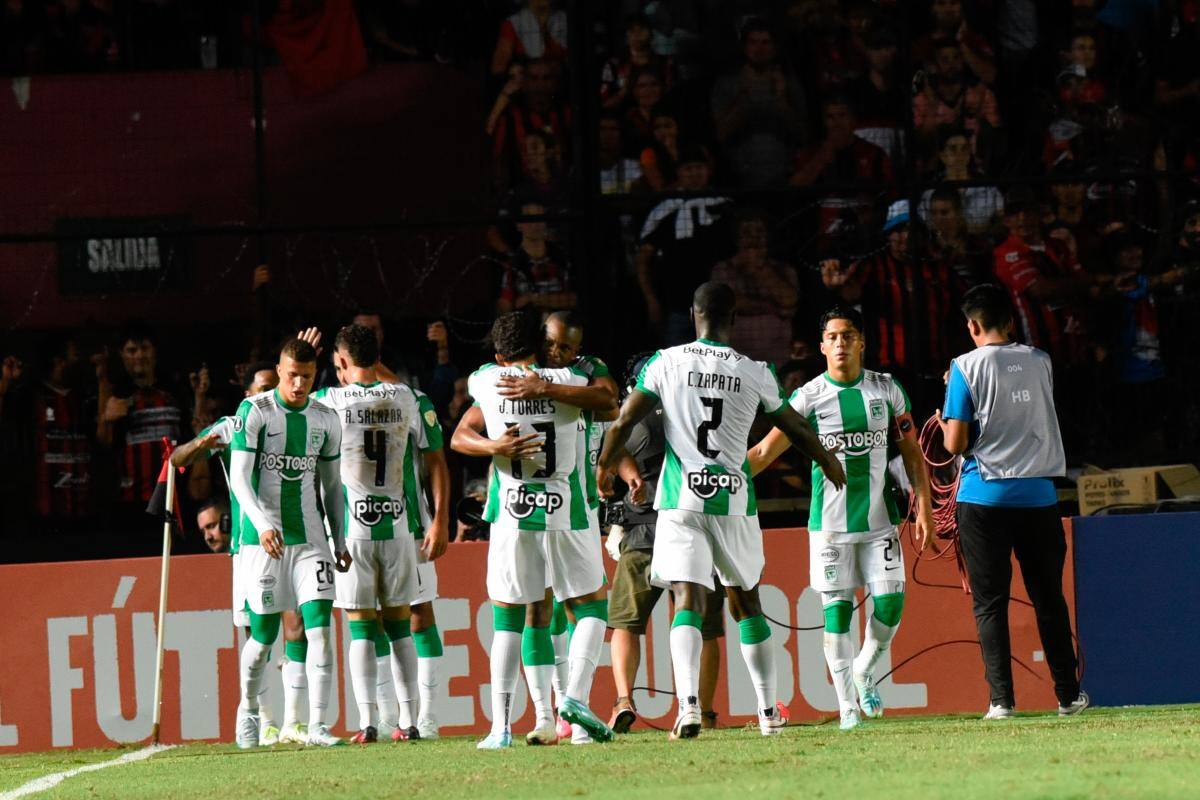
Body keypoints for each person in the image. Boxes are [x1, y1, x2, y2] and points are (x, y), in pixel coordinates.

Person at [598, 282, 846, 740]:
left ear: (694, 315)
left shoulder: (666, 362)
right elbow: (792, 423)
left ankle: (688, 706)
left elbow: (624, 420)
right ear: (733, 318)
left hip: (681, 500)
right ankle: (769, 711)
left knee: (686, 599)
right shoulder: (755, 371)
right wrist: (828, 461)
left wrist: (604, 466)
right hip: (733, 501)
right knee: (746, 602)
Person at [747, 306, 936, 730]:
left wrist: (923, 505)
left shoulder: (887, 390)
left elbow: (911, 452)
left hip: (879, 522)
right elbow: (763, 453)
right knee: (837, 613)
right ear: (821, 346)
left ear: (861, 342)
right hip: (828, 527)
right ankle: (848, 706)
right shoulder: (807, 397)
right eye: (832, 337)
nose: (840, 344)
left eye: (848, 336)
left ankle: (865, 668)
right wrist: (724, 478)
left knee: (890, 603)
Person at [451, 310, 617, 749]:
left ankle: (501, 728)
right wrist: (547, 387)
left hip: (512, 512)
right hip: (566, 510)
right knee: (591, 609)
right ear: (541, 342)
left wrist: (495, 444)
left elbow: (460, 427)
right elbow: (611, 401)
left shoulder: (487, 379)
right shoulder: (574, 380)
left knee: (508, 616)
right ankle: (572, 701)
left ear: (501, 352)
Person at [937, 284, 1088, 719]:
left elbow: (954, 443)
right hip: (1039, 496)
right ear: (1009, 321)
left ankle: (1001, 701)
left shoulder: (964, 367)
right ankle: (1068, 696)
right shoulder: (1042, 361)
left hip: (984, 496)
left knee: (990, 602)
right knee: (1049, 599)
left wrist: (948, 404)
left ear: (971, 326)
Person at [171, 362, 304, 746]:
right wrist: (200, 445)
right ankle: (263, 720)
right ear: (247, 395)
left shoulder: (295, 421)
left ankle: (294, 722)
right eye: (261, 388)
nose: (268, 393)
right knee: (257, 636)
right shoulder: (234, 426)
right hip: (248, 545)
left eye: (272, 386)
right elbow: (177, 459)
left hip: (293, 537)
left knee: (296, 626)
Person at [308, 323, 429, 745]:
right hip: (396, 524)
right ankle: (410, 722)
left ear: (341, 361)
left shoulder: (328, 401)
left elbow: (290, 407)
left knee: (361, 627)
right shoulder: (405, 397)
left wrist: (305, 356)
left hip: (354, 529)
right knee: (399, 626)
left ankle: (369, 722)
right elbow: (431, 451)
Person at [228, 337, 350, 749]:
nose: (299, 384)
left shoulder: (326, 418)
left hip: (310, 539)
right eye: (292, 375)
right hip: (261, 541)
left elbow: (332, 486)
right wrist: (263, 525)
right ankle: (247, 709)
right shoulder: (256, 411)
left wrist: (340, 537)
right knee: (261, 640)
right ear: (279, 371)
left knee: (319, 630)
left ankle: (317, 725)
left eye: (307, 376)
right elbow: (240, 480)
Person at [601, 353, 726, 734]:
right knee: (703, 626)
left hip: (641, 529)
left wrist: (625, 474)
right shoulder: (692, 409)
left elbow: (615, 445)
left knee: (626, 623)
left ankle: (624, 698)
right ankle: (703, 710)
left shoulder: (629, 416)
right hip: (692, 524)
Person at [635, 147, 731, 345]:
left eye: (699, 167)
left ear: (708, 170)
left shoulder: (725, 206)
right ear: (679, 172)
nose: (694, 173)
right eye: (688, 168)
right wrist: (651, 300)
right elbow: (643, 259)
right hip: (674, 305)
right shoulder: (664, 208)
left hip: (719, 307)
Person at [98, 325, 183, 534]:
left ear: (154, 351)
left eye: (145, 348)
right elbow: (103, 443)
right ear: (122, 355)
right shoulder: (116, 394)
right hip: (130, 503)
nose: (139, 356)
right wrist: (107, 419)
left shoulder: (175, 390)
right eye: (132, 350)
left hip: (174, 499)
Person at [710, 17, 808, 188]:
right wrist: (744, 94)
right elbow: (721, 134)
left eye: (765, 42)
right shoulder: (727, 83)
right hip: (739, 179)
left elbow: (803, 134)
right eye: (753, 42)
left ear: (774, 47)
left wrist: (781, 99)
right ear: (744, 46)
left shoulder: (789, 83)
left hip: (784, 176)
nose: (759, 49)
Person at [710, 210, 799, 366]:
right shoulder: (723, 269)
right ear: (737, 238)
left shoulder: (784, 270)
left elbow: (789, 302)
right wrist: (769, 305)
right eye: (747, 232)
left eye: (759, 232)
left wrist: (760, 270)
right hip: (735, 361)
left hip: (777, 360)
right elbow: (726, 304)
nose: (754, 238)